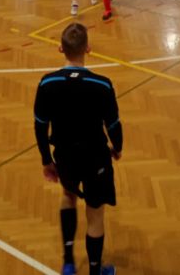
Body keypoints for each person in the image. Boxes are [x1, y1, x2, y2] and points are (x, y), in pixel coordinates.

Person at [34, 23, 120, 275]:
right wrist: (117, 147)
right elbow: (113, 124)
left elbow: (40, 126)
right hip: (96, 158)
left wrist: (46, 160)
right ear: (88, 49)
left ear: (60, 49)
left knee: (68, 196)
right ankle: (95, 271)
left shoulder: (47, 83)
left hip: (65, 156)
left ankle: (69, 262)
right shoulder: (102, 85)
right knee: (95, 214)